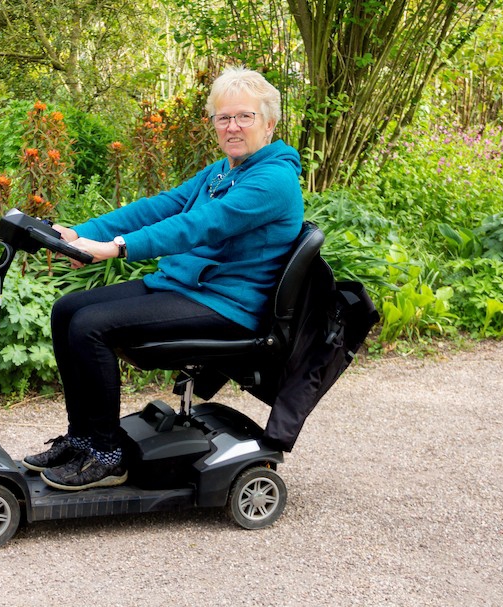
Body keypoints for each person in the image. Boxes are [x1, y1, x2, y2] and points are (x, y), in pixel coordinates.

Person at [23, 66, 305, 491]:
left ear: (269, 123)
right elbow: (162, 207)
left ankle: (107, 454)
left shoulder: (272, 179)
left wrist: (116, 248)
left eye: (244, 117)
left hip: (228, 305)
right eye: (223, 118)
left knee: (89, 325)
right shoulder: (224, 171)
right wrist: (84, 234)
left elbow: (197, 225)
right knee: (67, 309)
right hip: (188, 287)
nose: (232, 127)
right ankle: (82, 438)